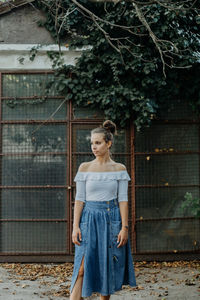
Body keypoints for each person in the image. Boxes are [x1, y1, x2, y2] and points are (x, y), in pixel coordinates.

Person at [70, 120, 136, 300]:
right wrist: (75, 226)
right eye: (92, 143)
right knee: (82, 269)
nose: (94, 146)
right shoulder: (85, 168)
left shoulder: (119, 169)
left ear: (109, 143)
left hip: (111, 220)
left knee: (106, 269)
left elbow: (123, 199)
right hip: (88, 220)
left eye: (98, 143)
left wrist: (124, 227)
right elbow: (80, 199)